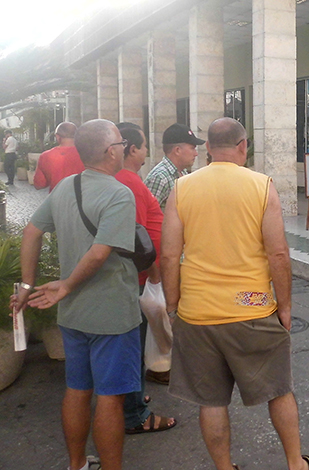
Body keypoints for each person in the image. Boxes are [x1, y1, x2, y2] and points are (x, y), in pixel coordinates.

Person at [161, 118, 309, 470]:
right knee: (278, 390)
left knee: (211, 401)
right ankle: (296, 464)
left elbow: (170, 255)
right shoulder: (261, 186)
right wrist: (285, 307)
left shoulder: (183, 188)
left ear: (207, 148)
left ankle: (224, 468)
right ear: (243, 146)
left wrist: (172, 306)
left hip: (197, 313)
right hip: (252, 309)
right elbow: (278, 253)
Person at [11, 119, 141, 470]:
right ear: (109, 151)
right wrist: (66, 285)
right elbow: (100, 253)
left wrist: (27, 284)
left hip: (72, 314)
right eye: (121, 141)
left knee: (77, 390)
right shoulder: (118, 193)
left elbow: (32, 231)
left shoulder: (66, 187)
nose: (124, 146)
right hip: (111, 312)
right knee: (111, 399)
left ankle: (77, 464)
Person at [114, 122, 176, 435]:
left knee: (133, 345)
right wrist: (153, 277)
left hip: (135, 277)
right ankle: (134, 413)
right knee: (133, 345)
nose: (147, 151)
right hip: (137, 278)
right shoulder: (129, 182)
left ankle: (132, 396)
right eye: (143, 146)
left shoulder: (124, 180)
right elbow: (139, 239)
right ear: (131, 149)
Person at [144, 123, 204, 210]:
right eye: (192, 148)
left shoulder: (182, 172)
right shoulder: (160, 177)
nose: (196, 154)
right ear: (177, 150)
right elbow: (148, 214)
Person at [33, 122, 86, 192]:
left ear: (57, 136)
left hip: (57, 199)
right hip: (84, 199)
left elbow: (39, 185)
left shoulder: (46, 156)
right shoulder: (87, 153)